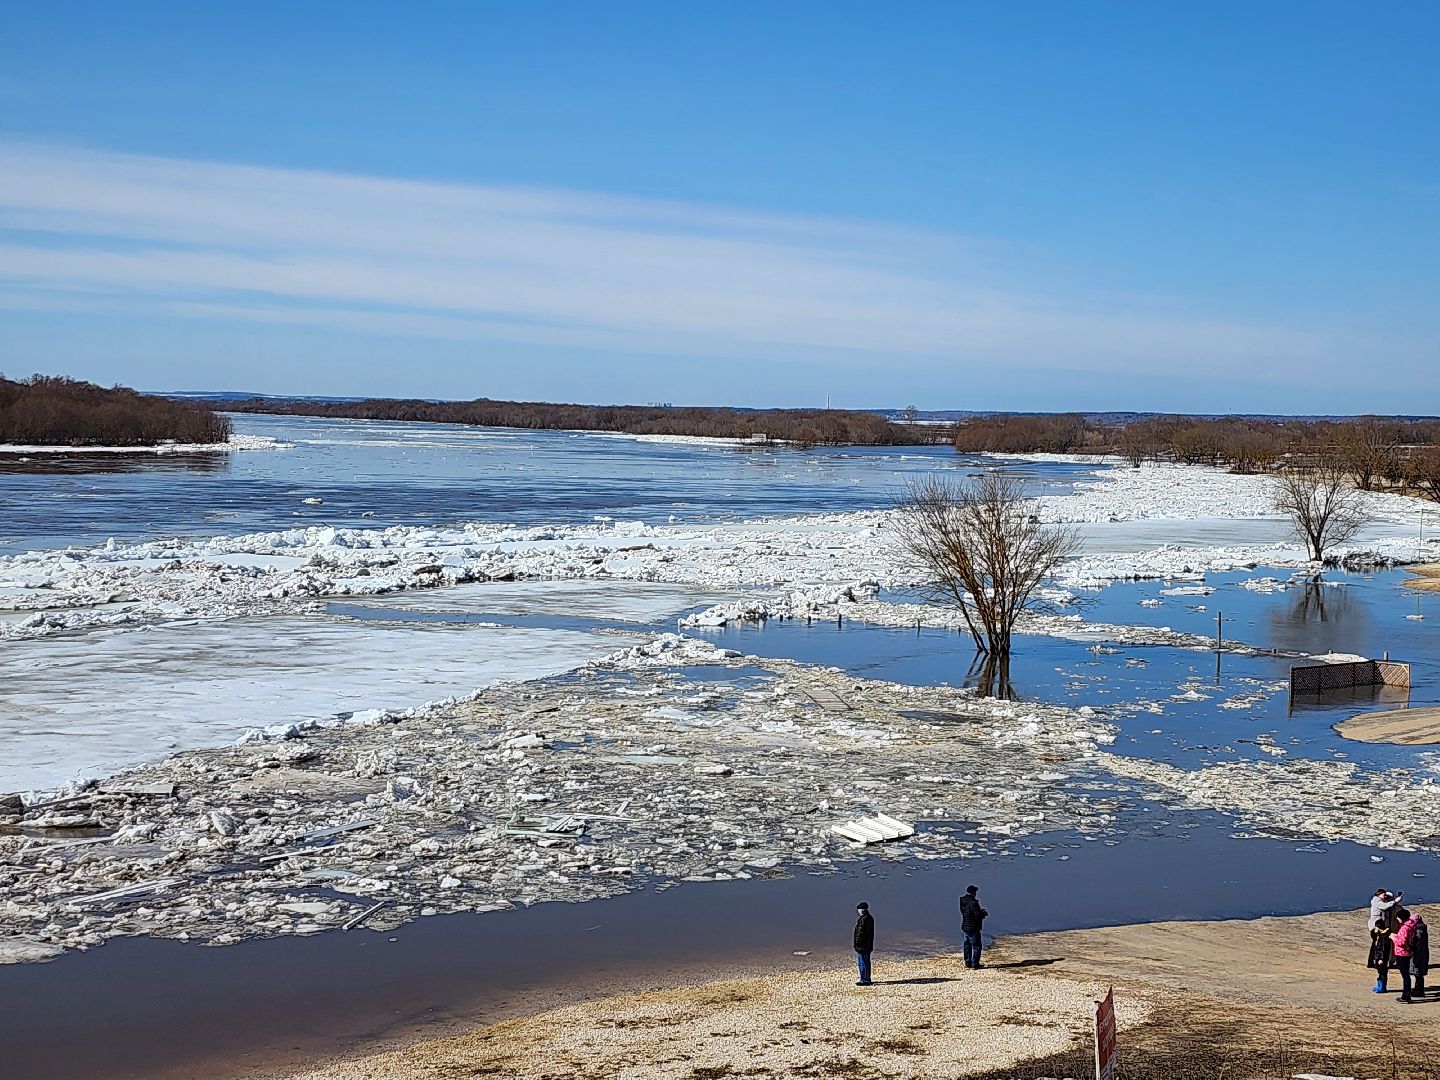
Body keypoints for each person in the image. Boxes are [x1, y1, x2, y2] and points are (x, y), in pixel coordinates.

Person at [1368, 888, 1403, 993]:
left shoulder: (1378, 902)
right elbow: (1385, 907)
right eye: (1385, 896)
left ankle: (1381, 986)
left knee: (1378, 946)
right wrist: (1395, 901)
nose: (1386, 898)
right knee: (1379, 945)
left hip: (1381, 929)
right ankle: (1381, 984)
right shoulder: (1379, 903)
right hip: (1382, 928)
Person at [959, 884, 988, 969]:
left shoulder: (963, 901)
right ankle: (975, 964)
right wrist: (983, 914)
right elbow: (977, 915)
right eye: (975, 892)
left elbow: (967, 913)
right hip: (973, 927)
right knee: (977, 946)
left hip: (965, 926)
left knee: (967, 945)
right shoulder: (973, 903)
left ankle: (968, 962)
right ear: (973, 893)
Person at [1394, 908, 1418, 1003]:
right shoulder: (1411, 925)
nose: (1397, 919)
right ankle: (1406, 995)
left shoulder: (1405, 927)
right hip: (1407, 952)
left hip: (1402, 953)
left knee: (1405, 975)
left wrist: (1394, 938)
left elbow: (1402, 942)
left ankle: (1406, 996)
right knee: (1406, 975)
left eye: (1398, 917)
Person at [853, 901, 875, 986]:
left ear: (862, 910)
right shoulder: (869, 918)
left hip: (863, 945)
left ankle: (864, 980)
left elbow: (860, 933)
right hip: (867, 945)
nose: (858, 911)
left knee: (862, 962)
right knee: (865, 962)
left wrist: (857, 944)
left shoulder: (864, 919)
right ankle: (866, 978)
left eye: (859, 910)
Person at [1410, 910, 1430, 998]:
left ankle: (1419, 991)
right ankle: (1418, 989)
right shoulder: (1422, 929)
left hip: (1419, 955)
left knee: (1418, 974)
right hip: (1422, 954)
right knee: (1418, 974)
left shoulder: (1419, 930)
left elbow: (1416, 941)